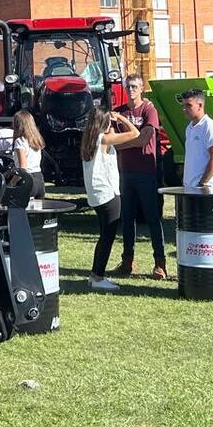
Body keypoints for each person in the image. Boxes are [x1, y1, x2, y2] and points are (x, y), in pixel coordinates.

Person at [80, 107, 143, 291]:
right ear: (103, 122)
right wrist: (122, 118)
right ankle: (98, 276)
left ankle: (95, 275)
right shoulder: (104, 139)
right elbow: (135, 133)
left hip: (97, 194)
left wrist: (110, 124)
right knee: (107, 237)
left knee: (104, 235)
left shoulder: (90, 138)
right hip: (108, 193)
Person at [113, 72, 168, 279]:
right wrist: (120, 140)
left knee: (153, 219)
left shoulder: (149, 110)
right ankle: (127, 262)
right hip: (126, 173)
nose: (131, 90)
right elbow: (108, 137)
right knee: (127, 219)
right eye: (128, 87)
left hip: (146, 171)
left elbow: (145, 138)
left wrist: (121, 144)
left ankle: (160, 264)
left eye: (135, 86)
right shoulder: (119, 112)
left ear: (142, 89)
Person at [181, 90, 213, 192]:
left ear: (200, 105)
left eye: (188, 105)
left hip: (207, 188)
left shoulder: (209, 126)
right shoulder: (189, 128)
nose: (184, 109)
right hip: (190, 187)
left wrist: (203, 183)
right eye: (183, 105)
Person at [12, 110, 47, 201]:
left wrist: (11, 183)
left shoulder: (20, 141)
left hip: (27, 180)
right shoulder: (36, 140)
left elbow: (22, 167)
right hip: (39, 179)